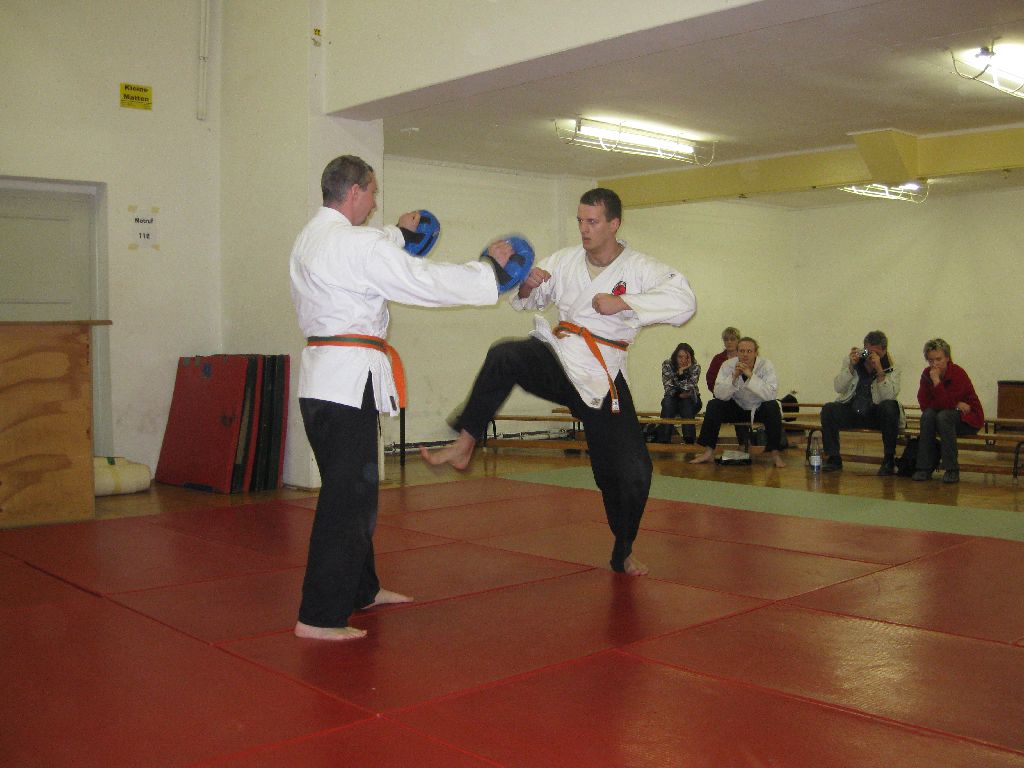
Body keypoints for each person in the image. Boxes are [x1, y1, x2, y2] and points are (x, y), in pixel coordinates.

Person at [290, 154, 516, 641]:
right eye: (372, 192)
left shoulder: (312, 236)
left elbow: (369, 250)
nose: (374, 203)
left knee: (352, 490)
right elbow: (421, 281)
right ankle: (320, 615)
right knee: (347, 500)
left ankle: (362, 589)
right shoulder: (355, 244)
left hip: (325, 384)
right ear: (355, 191)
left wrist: (398, 232)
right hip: (345, 384)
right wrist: (488, 273)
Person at [420, 187, 696, 576]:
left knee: (633, 472)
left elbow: (685, 302)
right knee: (506, 354)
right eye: (580, 220)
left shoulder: (640, 267)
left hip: (602, 377)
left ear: (614, 224)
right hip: (560, 355)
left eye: (593, 222)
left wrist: (624, 302)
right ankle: (465, 443)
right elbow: (527, 299)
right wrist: (529, 284)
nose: (584, 229)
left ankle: (623, 550)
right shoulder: (565, 260)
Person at [690, 336, 786, 468]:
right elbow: (719, 393)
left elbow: (770, 394)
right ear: (737, 352)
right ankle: (709, 452)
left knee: (772, 406)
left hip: (758, 408)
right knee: (714, 405)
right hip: (737, 407)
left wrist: (750, 375)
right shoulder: (728, 365)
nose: (745, 354)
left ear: (755, 352)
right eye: (742, 351)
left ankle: (775, 454)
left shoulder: (765, 365)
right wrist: (734, 377)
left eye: (749, 351)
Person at [819, 330, 904, 476]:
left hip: (876, 413)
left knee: (890, 407)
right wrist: (851, 367)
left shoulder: (893, 368)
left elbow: (889, 396)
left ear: (884, 350)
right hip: (853, 409)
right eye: (868, 351)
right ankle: (833, 457)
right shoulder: (853, 361)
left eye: (876, 353)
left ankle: (889, 460)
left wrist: (879, 370)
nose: (870, 356)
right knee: (828, 409)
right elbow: (838, 388)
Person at [913, 338, 983, 484]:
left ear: (947, 358)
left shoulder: (957, 373)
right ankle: (924, 468)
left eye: (938, 359)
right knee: (928, 416)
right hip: (944, 416)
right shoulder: (926, 374)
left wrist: (937, 382)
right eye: (931, 360)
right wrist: (955, 404)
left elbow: (944, 404)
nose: (934, 364)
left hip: (968, 419)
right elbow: (924, 403)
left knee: (943, 416)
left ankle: (952, 469)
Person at [655, 342, 701, 443]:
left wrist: (681, 373)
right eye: (680, 357)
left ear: (691, 358)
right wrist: (679, 394)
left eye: (687, 357)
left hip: (691, 400)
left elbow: (688, 388)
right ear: (675, 356)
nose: (683, 360)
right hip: (673, 397)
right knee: (668, 403)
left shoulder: (695, 366)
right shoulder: (667, 364)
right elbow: (668, 387)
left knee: (686, 403)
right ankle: (664, 439)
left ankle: (689, 440)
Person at [705, 326, 741, 394]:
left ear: (738, 341)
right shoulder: (718, 359)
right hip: (722, 396)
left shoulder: (744, 358)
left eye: (732, 339)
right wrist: (719, 393)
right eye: (726, 339)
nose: (729, 342)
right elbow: (710, 379)